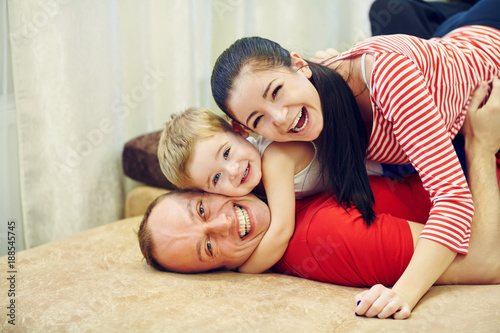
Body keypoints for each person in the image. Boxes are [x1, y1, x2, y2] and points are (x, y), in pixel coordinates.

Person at [209, 0, 500, 318]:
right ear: (249, 132)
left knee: (391, 8)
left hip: (486, 44)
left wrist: (403, 292)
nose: (280, 119)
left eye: (276, 91)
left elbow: (453, 199)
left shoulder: (390, 80)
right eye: (258, 119)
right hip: (450, 48)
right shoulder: (302, 122)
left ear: (299, 65)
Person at [137, 80, 500, 320]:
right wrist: (480, 146)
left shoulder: (269, 165)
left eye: (201, 209)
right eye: (209, 248)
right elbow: (488, 260)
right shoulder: (322, 237)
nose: (222, 223)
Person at [157, 107, 384, 273]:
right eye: (217, 178)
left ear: (240, 130)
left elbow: (281, 232)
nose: (233, 170)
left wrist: (241, 271)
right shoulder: (251, 184)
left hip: (386, 163)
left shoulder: (275, 158)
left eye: (226, 153)